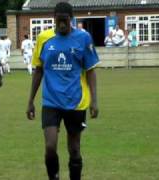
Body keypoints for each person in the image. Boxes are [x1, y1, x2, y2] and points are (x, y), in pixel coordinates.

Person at [26, 2, 99, 180]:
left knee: (74, 149)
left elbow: (90, 70)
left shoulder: (84, 38)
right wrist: (30, 101)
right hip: (51, 101)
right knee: (50, 147)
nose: (62, 25)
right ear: (54, 18)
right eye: (59, 21)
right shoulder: (44, 38)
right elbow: (38, 70)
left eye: (65, 21)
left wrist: (94, 100)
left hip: (76, 101)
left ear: (71, 19)